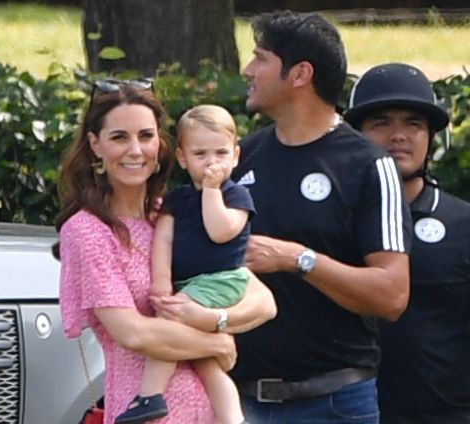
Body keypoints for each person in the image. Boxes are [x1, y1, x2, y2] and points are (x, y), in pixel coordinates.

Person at [226, 11, 411, 423]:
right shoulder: (243, 156)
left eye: (260, 58)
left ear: (300, 74)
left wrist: (298, 259)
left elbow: (393, 294)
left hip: (334, 404)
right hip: (240, 401)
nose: (247, 70)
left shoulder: (367, 165)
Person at [57, 80, 277, 424]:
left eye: (145, 136)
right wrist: (216, 344)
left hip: (209, 411)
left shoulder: (176, 212)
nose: (135, 150)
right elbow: (133, 332)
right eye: (119, 137)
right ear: (94, 145)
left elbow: (263, 300)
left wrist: (214, 321)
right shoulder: (89, 231)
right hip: (146, 412)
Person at [345, 62, 470, 423]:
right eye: (381, 122)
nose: (398, 135)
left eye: (413, 123)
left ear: (433, 138)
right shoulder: (331, 224)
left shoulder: (462, 224)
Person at [116, 105, 255, 424]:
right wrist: (161, 281)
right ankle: (232, 418)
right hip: (188, 284)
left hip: (222, 281)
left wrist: (211, 191)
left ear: (235, 155)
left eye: (220, 152)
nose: (211, 162)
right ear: (182, 158)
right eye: (200, 154)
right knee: (206, 362)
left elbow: (221, 231)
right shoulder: (177, 200)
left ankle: (149, 396)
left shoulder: (237, 196)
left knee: (168, 328)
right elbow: (163, 239)